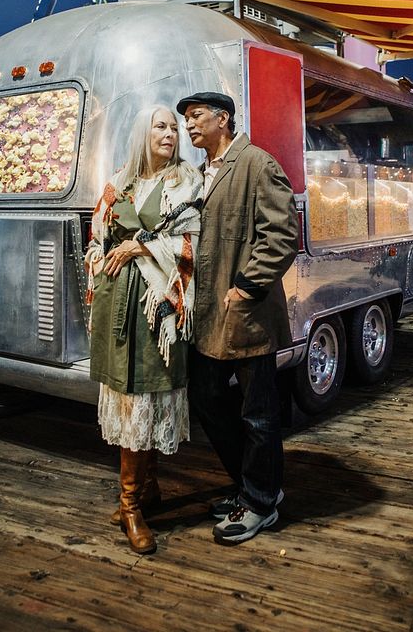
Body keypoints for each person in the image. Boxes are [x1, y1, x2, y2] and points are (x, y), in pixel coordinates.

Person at [176, 91, 299, 546]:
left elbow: (282, 233)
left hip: (245, 309)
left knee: (259, 414)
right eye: (186, 119)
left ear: (222, 119)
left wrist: (246, 286)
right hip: (209, 311)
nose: (189, 126)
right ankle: (248, 486)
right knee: (207, 396)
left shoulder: (257, 163)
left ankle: (262, 503)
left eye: (196, 117)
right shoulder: (205, 172)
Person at [85, 106, 203, 554]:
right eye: (161, 126)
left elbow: (193, 240)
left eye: (174, 128)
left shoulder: (186, 182)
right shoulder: (121, 183)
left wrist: (143, 246)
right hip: (122, 306)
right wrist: (105, 259)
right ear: (142, 133)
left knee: (149, 397)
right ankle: (132, 503)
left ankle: (141, 495)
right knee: (131, 400)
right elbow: (97, 237)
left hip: (159, 309)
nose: (170, 133)